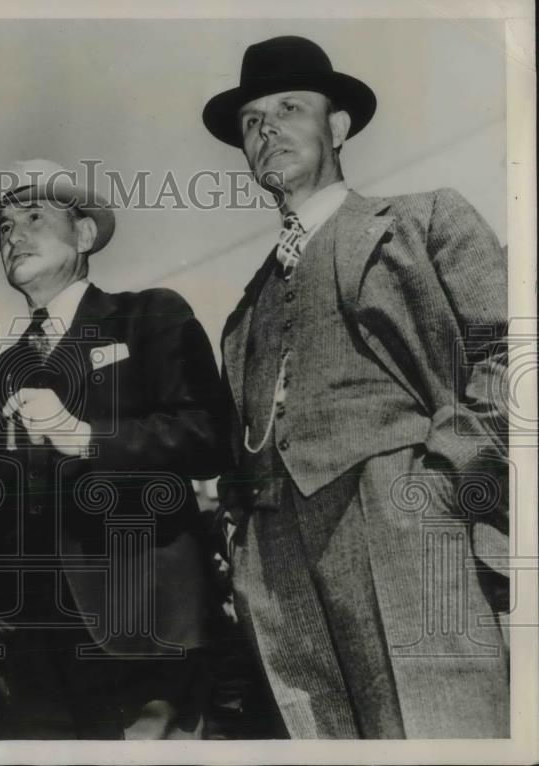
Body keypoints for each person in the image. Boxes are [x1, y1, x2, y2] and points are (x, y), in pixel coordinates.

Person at [202, 36, 509, 738]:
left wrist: (447, 478)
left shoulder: (423, 220)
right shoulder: (244, 310)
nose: (267, 129)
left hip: (406, 515)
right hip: (281, 560)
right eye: (252, 121)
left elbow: (511, 353)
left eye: (289, 108)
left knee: (442, 728)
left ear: (337, 126)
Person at [0, 160, 230, 739]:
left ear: (84, 235)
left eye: (35, 216)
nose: (14, 236)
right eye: (5, 228)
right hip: (21, 647)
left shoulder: (149, 316)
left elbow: (210, 434)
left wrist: (84, 436)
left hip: (139, 626)